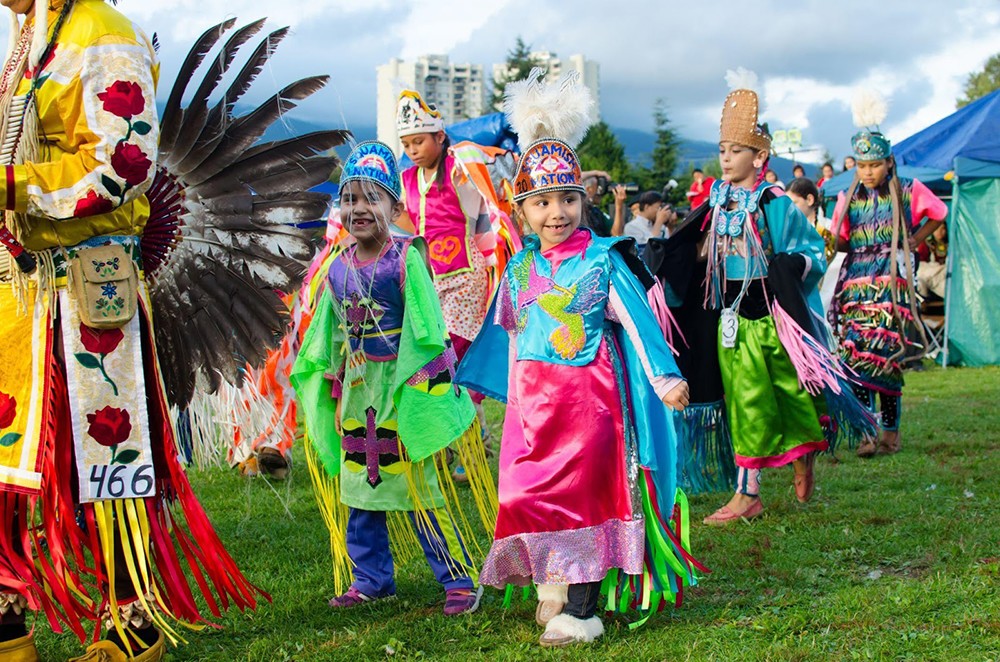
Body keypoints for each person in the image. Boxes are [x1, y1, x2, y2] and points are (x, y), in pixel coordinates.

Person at [0, 3, 269, 660]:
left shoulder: (101, 36)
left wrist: (12, 184)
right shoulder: (29, 35)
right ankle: (6, 614)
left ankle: (131, 620)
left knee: (106, 459)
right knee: (9, 456)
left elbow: (121, 166)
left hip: (87, 290)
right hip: (23, 290)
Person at [457, 69, 701, 648]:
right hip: (532, 410)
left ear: (583, 200)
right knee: (523, 491)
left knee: (586, 495)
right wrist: (498, 392)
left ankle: (584, 609)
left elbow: (639, 321)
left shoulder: (601, 259)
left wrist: (664, 376)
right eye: (541, 203)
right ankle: (552, 577)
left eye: (567, 199)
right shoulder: (518, 270)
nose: (556, 213)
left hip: (592, 405)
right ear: (522, 211)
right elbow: (510, 336)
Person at [657, 69, 874, 526]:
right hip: (731, 317)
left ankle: (803, 452)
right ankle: (747, 493)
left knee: (791, 394)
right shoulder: (717, 201)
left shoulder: (773, 200)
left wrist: (791, 266)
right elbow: (699, 248)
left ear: (760, 156)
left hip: (774, 316)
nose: (726, 158)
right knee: (744, 401)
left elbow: (812, 249)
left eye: (736, 151)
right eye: (722, 149)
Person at [290, 141, 495, 617]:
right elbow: (327, 332)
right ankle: (371, 579)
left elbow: (427, 330)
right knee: (360, 489)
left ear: (395, 208)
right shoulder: (337, 268)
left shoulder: (405, 260)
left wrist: (419, 395)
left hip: (402, 389)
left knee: (419, 485)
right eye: (349, 199)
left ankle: (457, 579)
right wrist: (328, 375)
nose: (358, 208)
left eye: (371, 198)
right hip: (358, 392)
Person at [829, 91, 948, 457]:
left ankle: (890, 434)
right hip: (856, 283)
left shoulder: (907, 190)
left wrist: (914, 239)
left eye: (874, 165)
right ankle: (867, 430)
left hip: (890, 282)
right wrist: (834, 243)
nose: (867, 172)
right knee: (858, 354)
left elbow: (939, 212)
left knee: (886, 352)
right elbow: (842, 240)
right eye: (862, 166)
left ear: (888, 162)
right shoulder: (848, 199)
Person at [395, 90, 500, 479]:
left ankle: (468, 444)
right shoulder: (405, 180)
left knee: (454, 356)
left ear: (440, 137)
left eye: (419, 141)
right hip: (426, 283)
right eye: (406, 144)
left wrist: (494, 263)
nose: (413, 150)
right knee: (429, 361)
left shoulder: (460, 169)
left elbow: (485, 215)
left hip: (465, 278)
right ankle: (460, 437)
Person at [787, 177, 844, 314]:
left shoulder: (829, 230)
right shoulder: (789, 233)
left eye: (794, 203)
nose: (789, 210)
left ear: (810, 200)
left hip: (827, 299)